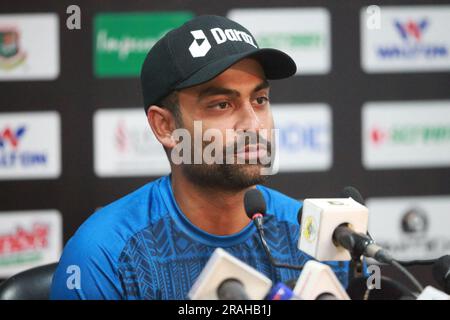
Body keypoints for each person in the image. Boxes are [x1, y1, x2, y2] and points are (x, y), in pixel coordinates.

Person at [50, 15, 350, 300]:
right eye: (221, 105)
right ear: (164, 126)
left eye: (260, 100)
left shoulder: (309, 237)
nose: (253, 125)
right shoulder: (105, 253)